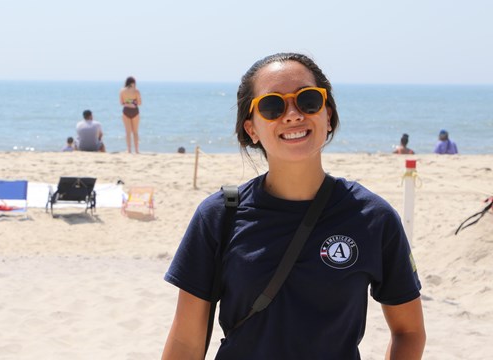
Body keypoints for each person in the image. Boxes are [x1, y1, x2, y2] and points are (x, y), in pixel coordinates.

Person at [162, 53, 426, 359]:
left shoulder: (373, 218)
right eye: (272, 106)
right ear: (252, 129)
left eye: (308, 100)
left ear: (327, 115)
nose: (292, 114)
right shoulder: (219, 216)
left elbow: (409, 332)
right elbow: (185, 342)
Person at [119, 76, 142, 153]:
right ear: (133, 83)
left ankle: (129, 150)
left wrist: (128, 101)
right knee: (135, 132)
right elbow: (139, 103)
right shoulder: (136, 91)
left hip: (126, 110)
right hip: (135, 111)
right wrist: (132, 102)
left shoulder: (122, 91)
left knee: (128, 132)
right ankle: (136, 150)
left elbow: (121, 102)